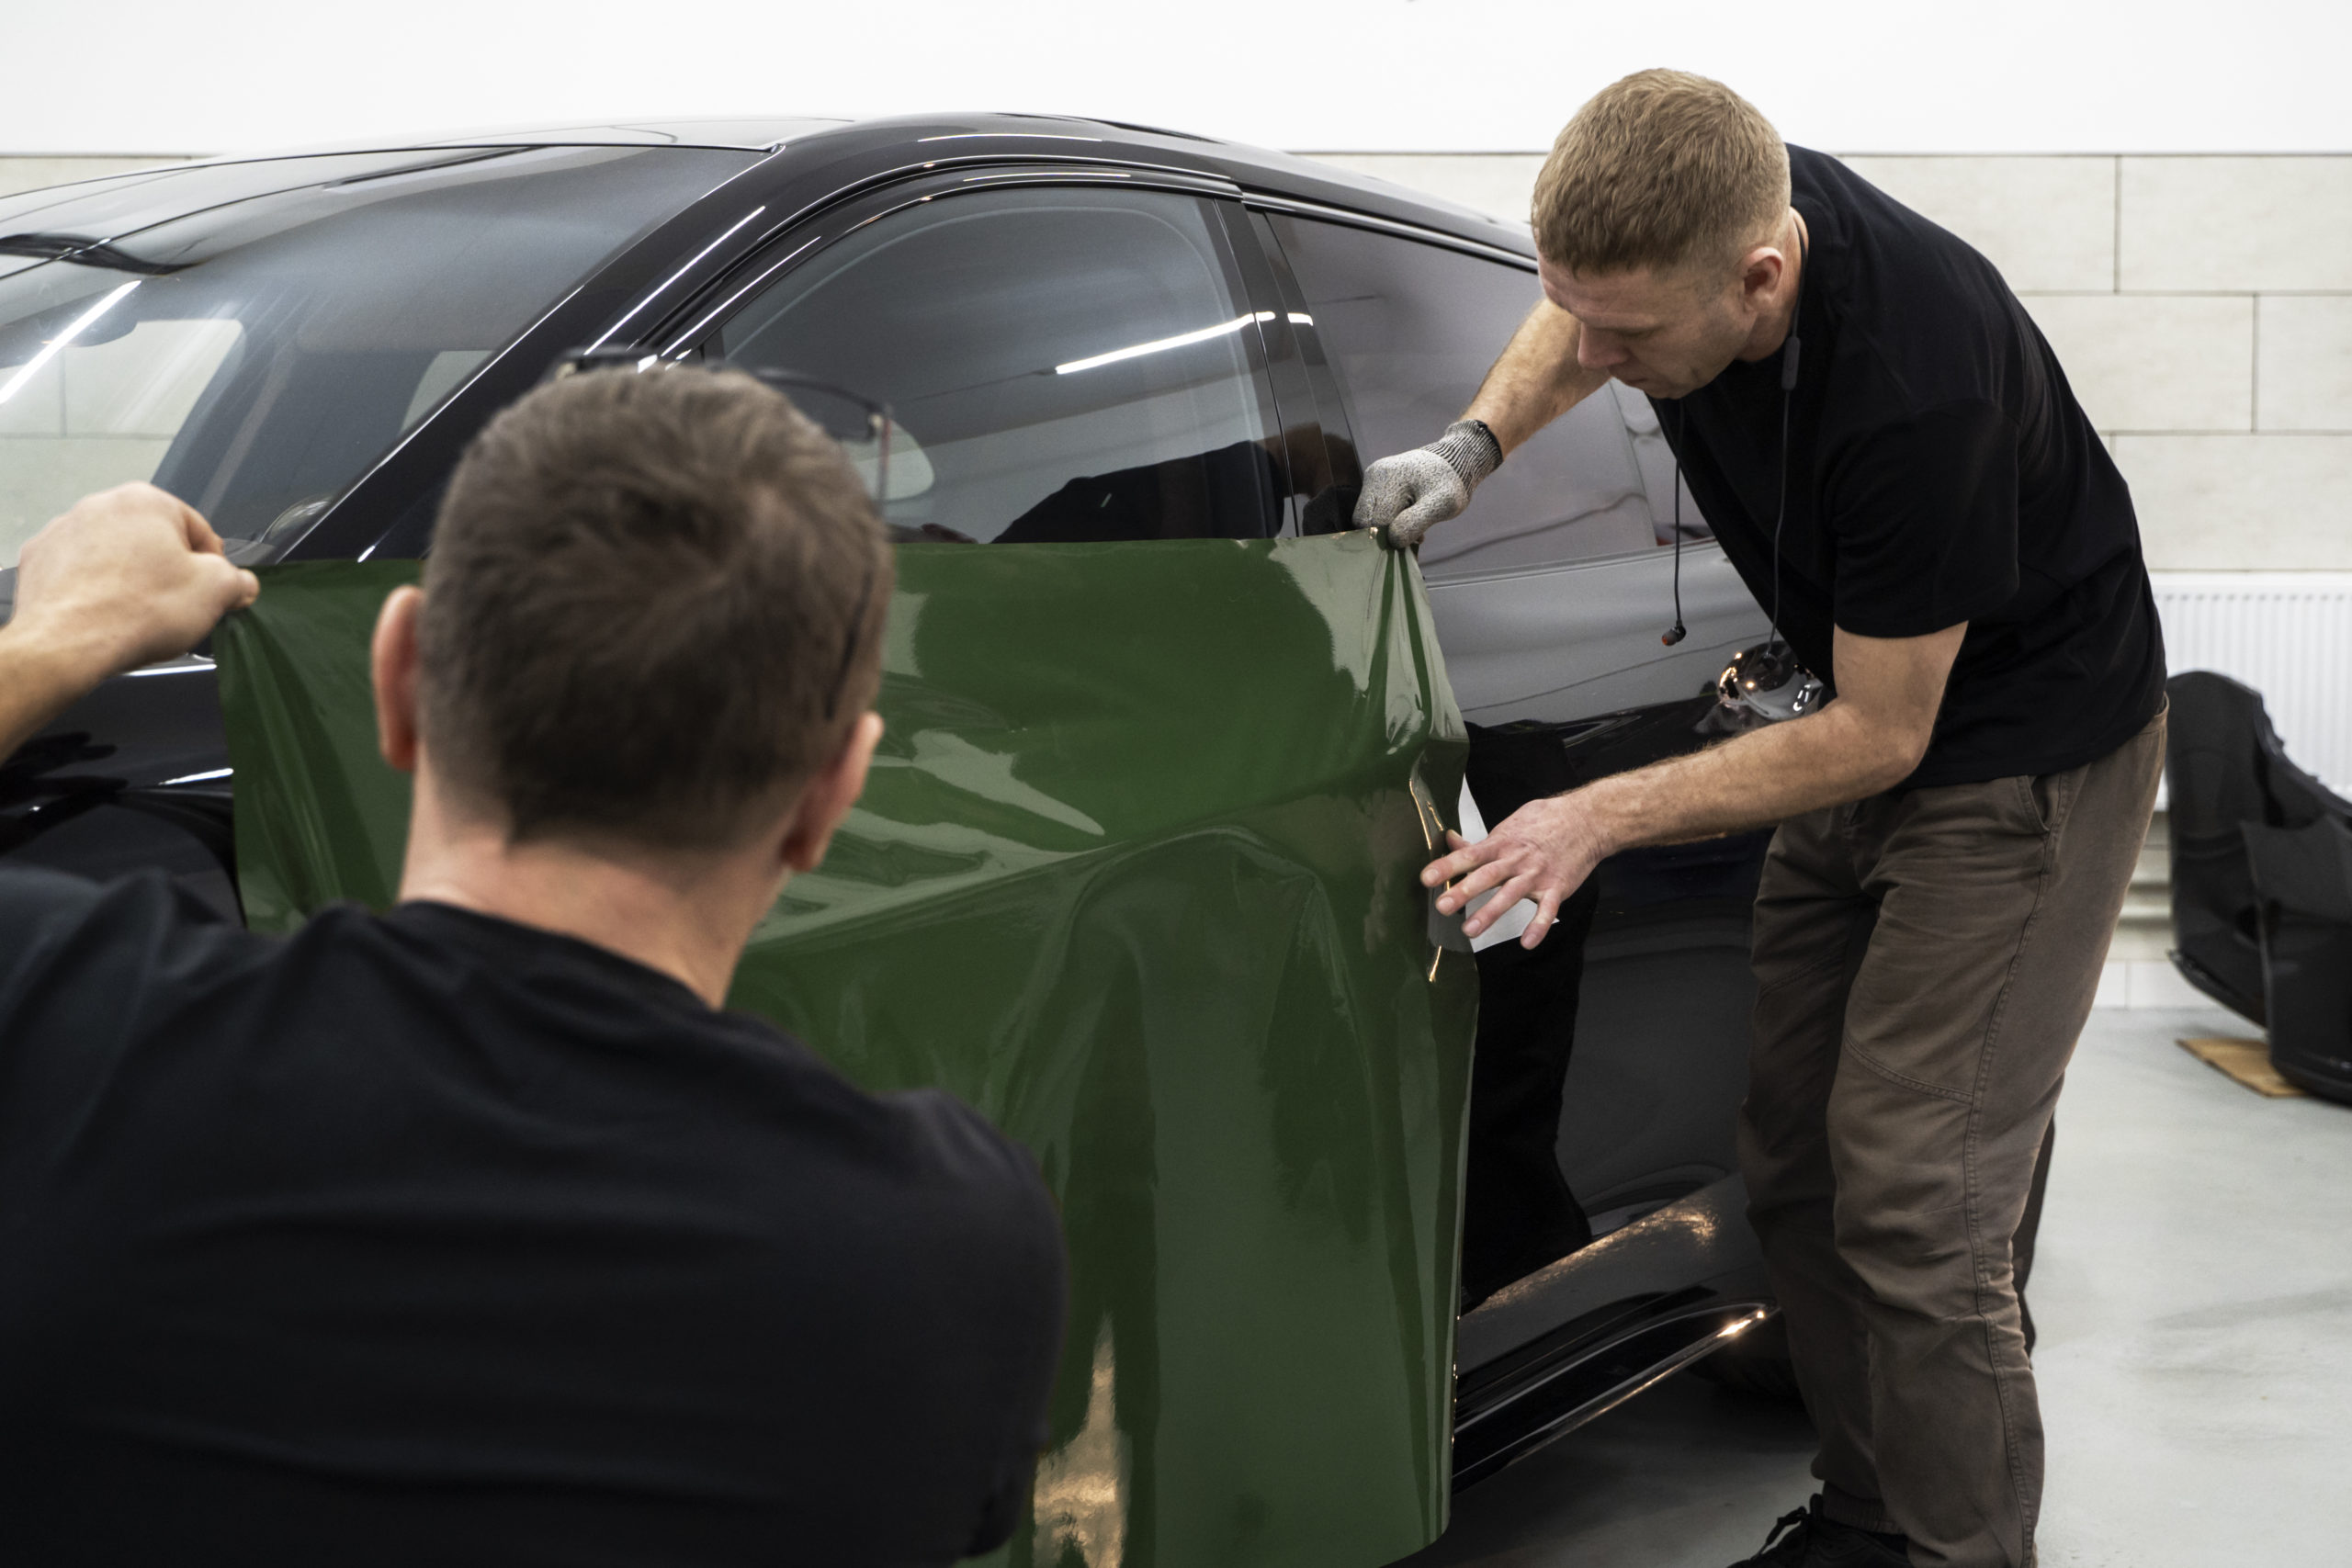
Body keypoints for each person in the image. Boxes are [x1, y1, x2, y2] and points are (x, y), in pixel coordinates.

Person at [0, 368, 1066, 1566]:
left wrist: (56, 634)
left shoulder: (59, 1026)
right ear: (833, 794)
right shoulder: (953, 1260)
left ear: (399, 678)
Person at [1362, 70, 2165, 1568]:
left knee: (1919, 1199)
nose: (1596, 356)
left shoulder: (1920, 385)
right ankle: (1865, 1517)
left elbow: (1887, 733)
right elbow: (1581, 318)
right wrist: (1471, 448)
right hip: (1842, 726)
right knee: (1794, 1161)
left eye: (1634, 336)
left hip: (2017, 760)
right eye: (1574, 313)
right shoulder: (1691, 229)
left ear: (1761, 277)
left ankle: (1962, 1551)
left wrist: (1594, 816)